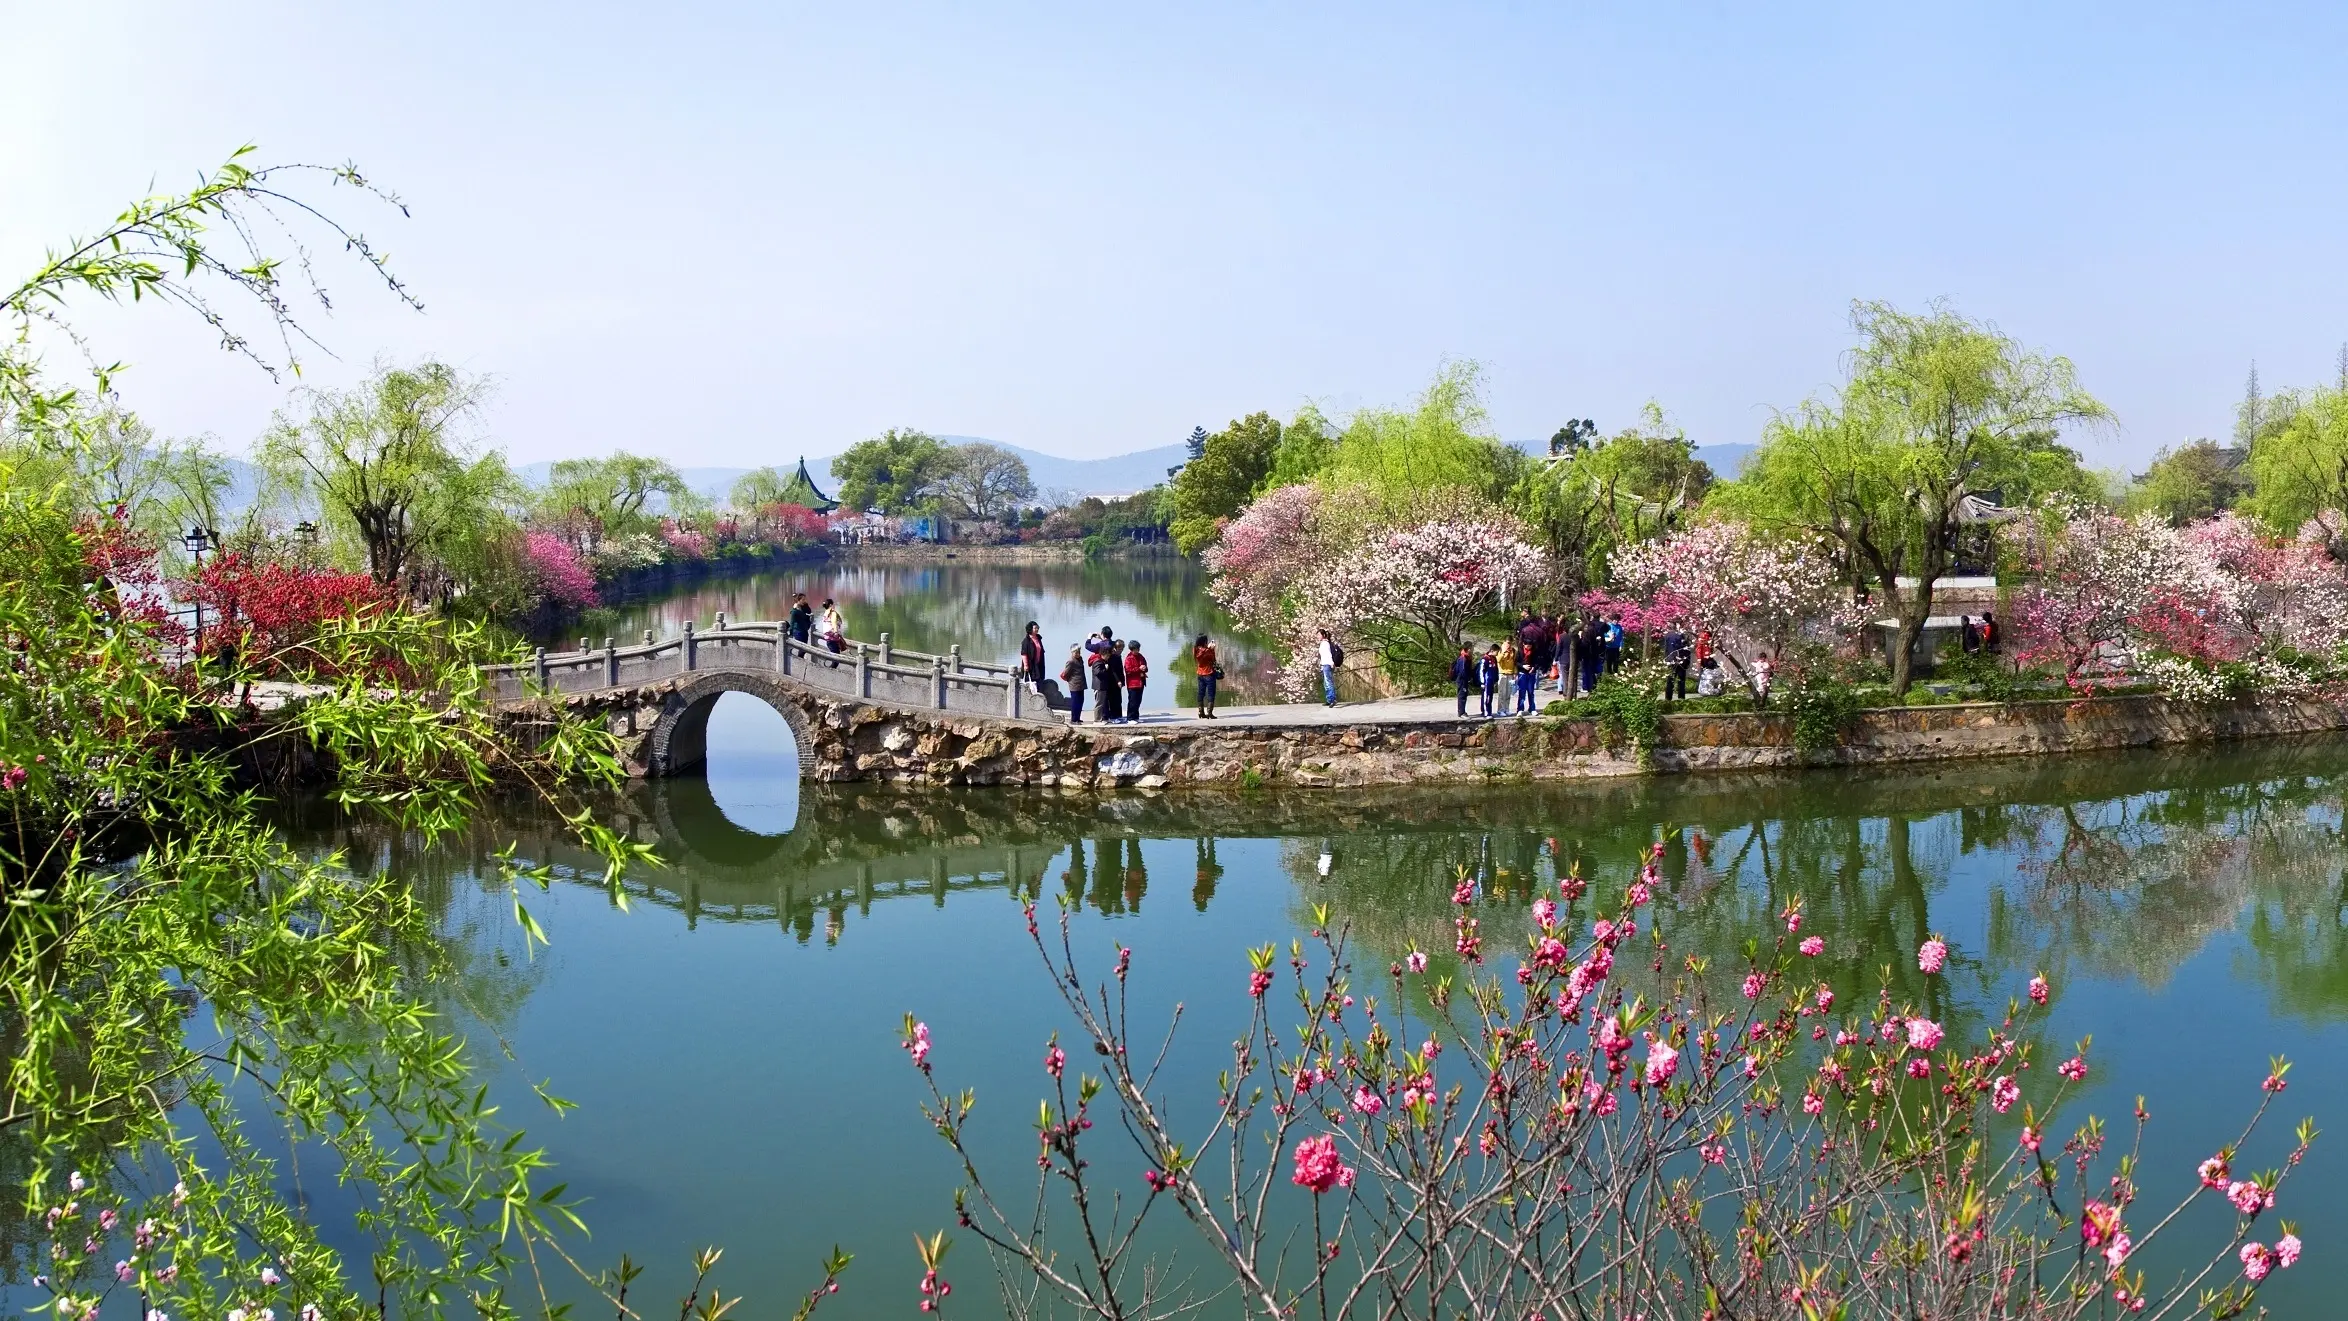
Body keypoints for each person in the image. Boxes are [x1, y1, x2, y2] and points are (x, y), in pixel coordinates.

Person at [1095, 641, 1124, 724]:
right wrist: (1118, 680)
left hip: (1115, 681)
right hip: (1111, 682)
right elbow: (1112, 671)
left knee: (1118, 700)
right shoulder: (1111, 658)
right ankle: (1110, 717)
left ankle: (1118, 716)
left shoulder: (1117, 656)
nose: (1121, 650)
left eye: (1122, 649)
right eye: (1119, 648)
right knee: (1110, 700)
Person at [1192, 634, 1220, 719]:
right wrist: (1212, 649)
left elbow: (1201, 655)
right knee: (1211, 693)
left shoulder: (1195, 650)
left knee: (1201, 693)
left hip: (1200, 673)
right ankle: (1209, 713)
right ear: (1204, 641)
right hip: (1209, 673)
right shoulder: (1207, 651)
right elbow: (1213, 660)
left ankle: (1201, 712)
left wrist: (1208, 648)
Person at [1059, 643, 1088, 725]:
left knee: (1081, 701)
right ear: (1072, 652)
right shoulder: (1070, 661)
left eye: (1079, 652)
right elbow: (1065, 674)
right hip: (1074, 685)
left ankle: (1078, 718)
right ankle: (1074, 719)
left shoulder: (1080, 659)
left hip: (1081, 684)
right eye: (1076, 652)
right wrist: (1070, 681)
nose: (1078, 653)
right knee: (1075, 702)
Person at [1662, 624, 1691, 701]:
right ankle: (1681, 698)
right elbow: (1686, 649)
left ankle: (1668, 698)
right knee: (1681, 680)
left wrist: (1666, 659)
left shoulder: (1667, 636)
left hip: (1670, 660)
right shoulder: (1681, 635)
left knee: (1670, 680)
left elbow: (1665, 649)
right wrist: (1687, 660)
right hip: (1681, 660)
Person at [1123, 642, 1149, 722]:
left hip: (1141, 682)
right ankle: (1130, 718)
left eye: (1138, 649)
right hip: (1132, 684)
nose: (1138, 651)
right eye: (1136, 649)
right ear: (1132, 650)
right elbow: (1128, 671)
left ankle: (1136, 717)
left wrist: (1145, 668)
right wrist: (1139, 669)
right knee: (1132, 701)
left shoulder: (1141, 657)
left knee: (1138, 701)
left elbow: (1145, 666)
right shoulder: (1129, 658)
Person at [1317, 629, 1341, 708]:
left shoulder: (1325, 644)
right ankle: (1329, 699)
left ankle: (1333, 699)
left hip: (1327, 665)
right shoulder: (1323, 643)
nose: (1318, 636)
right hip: (1324, 665)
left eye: (1319, 635)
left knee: (1329, 682)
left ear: (1323, 635)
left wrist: (1331, 663)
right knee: (1326, 683)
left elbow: (1328, 654)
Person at [1020, 621, 1047, 688]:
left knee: (1039, 681)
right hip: (1030, 665)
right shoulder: (1026, 641)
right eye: (1035, 628)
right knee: (1031, 683)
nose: (1037, 629)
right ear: (1030, 629)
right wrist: (1026, 666)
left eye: (1037, 628)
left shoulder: (1038, 638)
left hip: (1039, 664)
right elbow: (1024, 654)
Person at [1451, 643, 1476, 717]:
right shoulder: (1463, 658)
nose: (1473, 650)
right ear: (1468, 649)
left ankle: (1462, 711)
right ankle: (1461, 712)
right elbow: (1462, 671)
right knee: (1462, 695)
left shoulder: (1467, 657)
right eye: (1472, 648)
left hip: (1464, 679)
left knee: (1464, 695)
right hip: (1462, 680)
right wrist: (1467, 678)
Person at [1496, 632, 1518, 711]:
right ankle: (1500, 710)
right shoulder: (1500, 650)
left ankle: (1507, 709)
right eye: (1508, 643)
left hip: (1511, 673)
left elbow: (1515, 663)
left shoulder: (1513, 651)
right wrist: (1503, 652)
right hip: (1502, 673)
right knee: (1502, 693)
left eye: (1511, 643)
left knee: (1508, 693)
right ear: (1504, 642)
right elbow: (1497, 660)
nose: (1509, 645)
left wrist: (1515, 673)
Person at [1515, 640, 1538, 714]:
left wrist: (1533, 668)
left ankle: (1532, 708)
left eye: (1530, 646)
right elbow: (1516, 662)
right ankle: (1520, 709)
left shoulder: (1534, 652)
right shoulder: (1519, 652)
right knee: (1522, 692)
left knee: (1531, 692)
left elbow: (1537, 662)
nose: (1529, 647)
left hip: (1531, 674)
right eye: (1527, 646)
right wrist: (1523, 666)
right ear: (1524, 644)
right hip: (1522, 673)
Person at [1479, 644, 1501, 717]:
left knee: (1490, 697)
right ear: (1492, 651)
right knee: (1486, 697)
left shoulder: (1494, 659)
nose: (1497, 653)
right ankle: (1486, 712)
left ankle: (1489, 711)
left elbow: (1496, 670)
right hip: (1486, 681)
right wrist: (1482, 682)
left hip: (1491, 681)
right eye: (1497, 652)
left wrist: (1496, 679)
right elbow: (1481, 671)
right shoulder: (1485, 659)